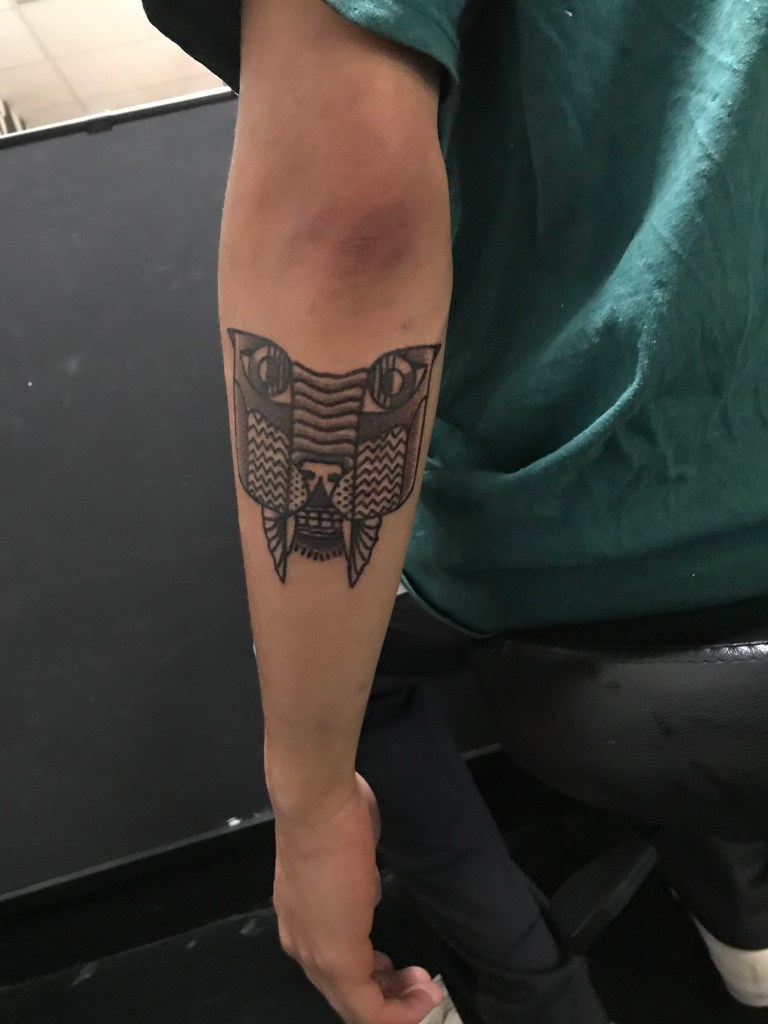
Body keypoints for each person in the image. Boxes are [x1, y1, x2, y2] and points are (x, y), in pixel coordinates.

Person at [140, 1, 768, 1022]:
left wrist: (309, 804)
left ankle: (531, 986)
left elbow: (347, 229)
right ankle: (746, 914)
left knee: (338, 655)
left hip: (592, 512)